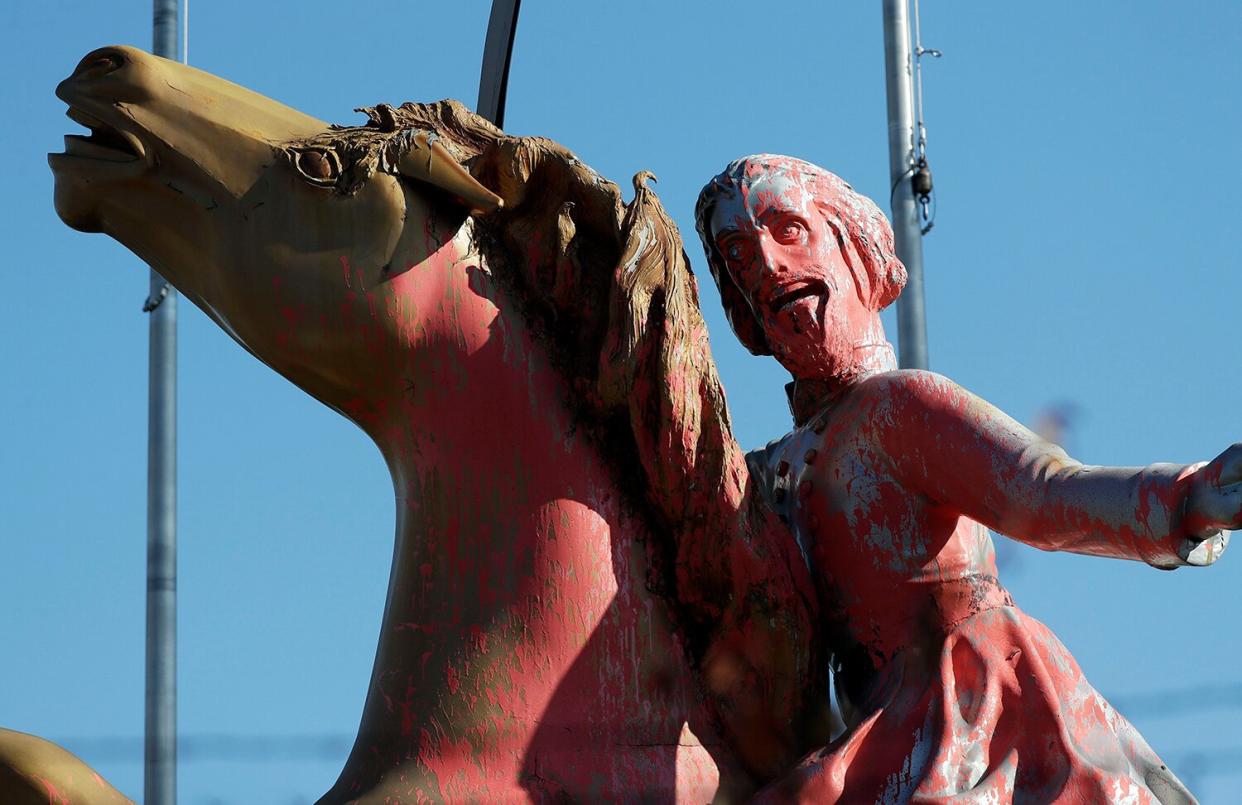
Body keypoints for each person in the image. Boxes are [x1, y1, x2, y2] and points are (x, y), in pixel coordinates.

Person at [694, 154, 1238, 803]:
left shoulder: (900, 407)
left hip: (983, 714)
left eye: (786, 229)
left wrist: (1187, 497)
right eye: (739, 253)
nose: (768, 263)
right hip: (868, 735)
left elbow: (1044, 493)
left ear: (854, 248)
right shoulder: (762, 474)